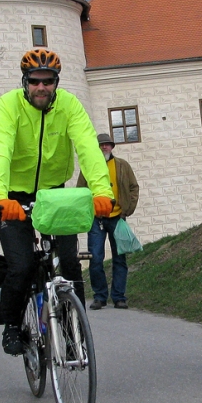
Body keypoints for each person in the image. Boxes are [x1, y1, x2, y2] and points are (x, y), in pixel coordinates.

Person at [0, 48, 114, 356]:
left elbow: (87, 147)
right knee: (22, 265)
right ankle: (13, 326)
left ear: (56, 82)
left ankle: (73, 335)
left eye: (48, 81)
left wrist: (102, 192)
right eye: (34, 81)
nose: (41, 87)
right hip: (14, 196)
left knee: (69, 265)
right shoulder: (8, 106)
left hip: (55, 193)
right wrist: (0, 197)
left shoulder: (69, 106)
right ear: (25, 82)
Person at [76, 133, 140, 310]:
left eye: (107, 144)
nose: (104, 147)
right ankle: (100, 296)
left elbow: (133, 187)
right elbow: (80, 190)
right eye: (101, 145)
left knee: (120, 259)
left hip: (118, 217)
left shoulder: (122, 165)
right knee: (95, 259)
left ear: (112, 147)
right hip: (96, 219)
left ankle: (119, 297)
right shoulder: (89, 167)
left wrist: (128, 209)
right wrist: (86, 212)